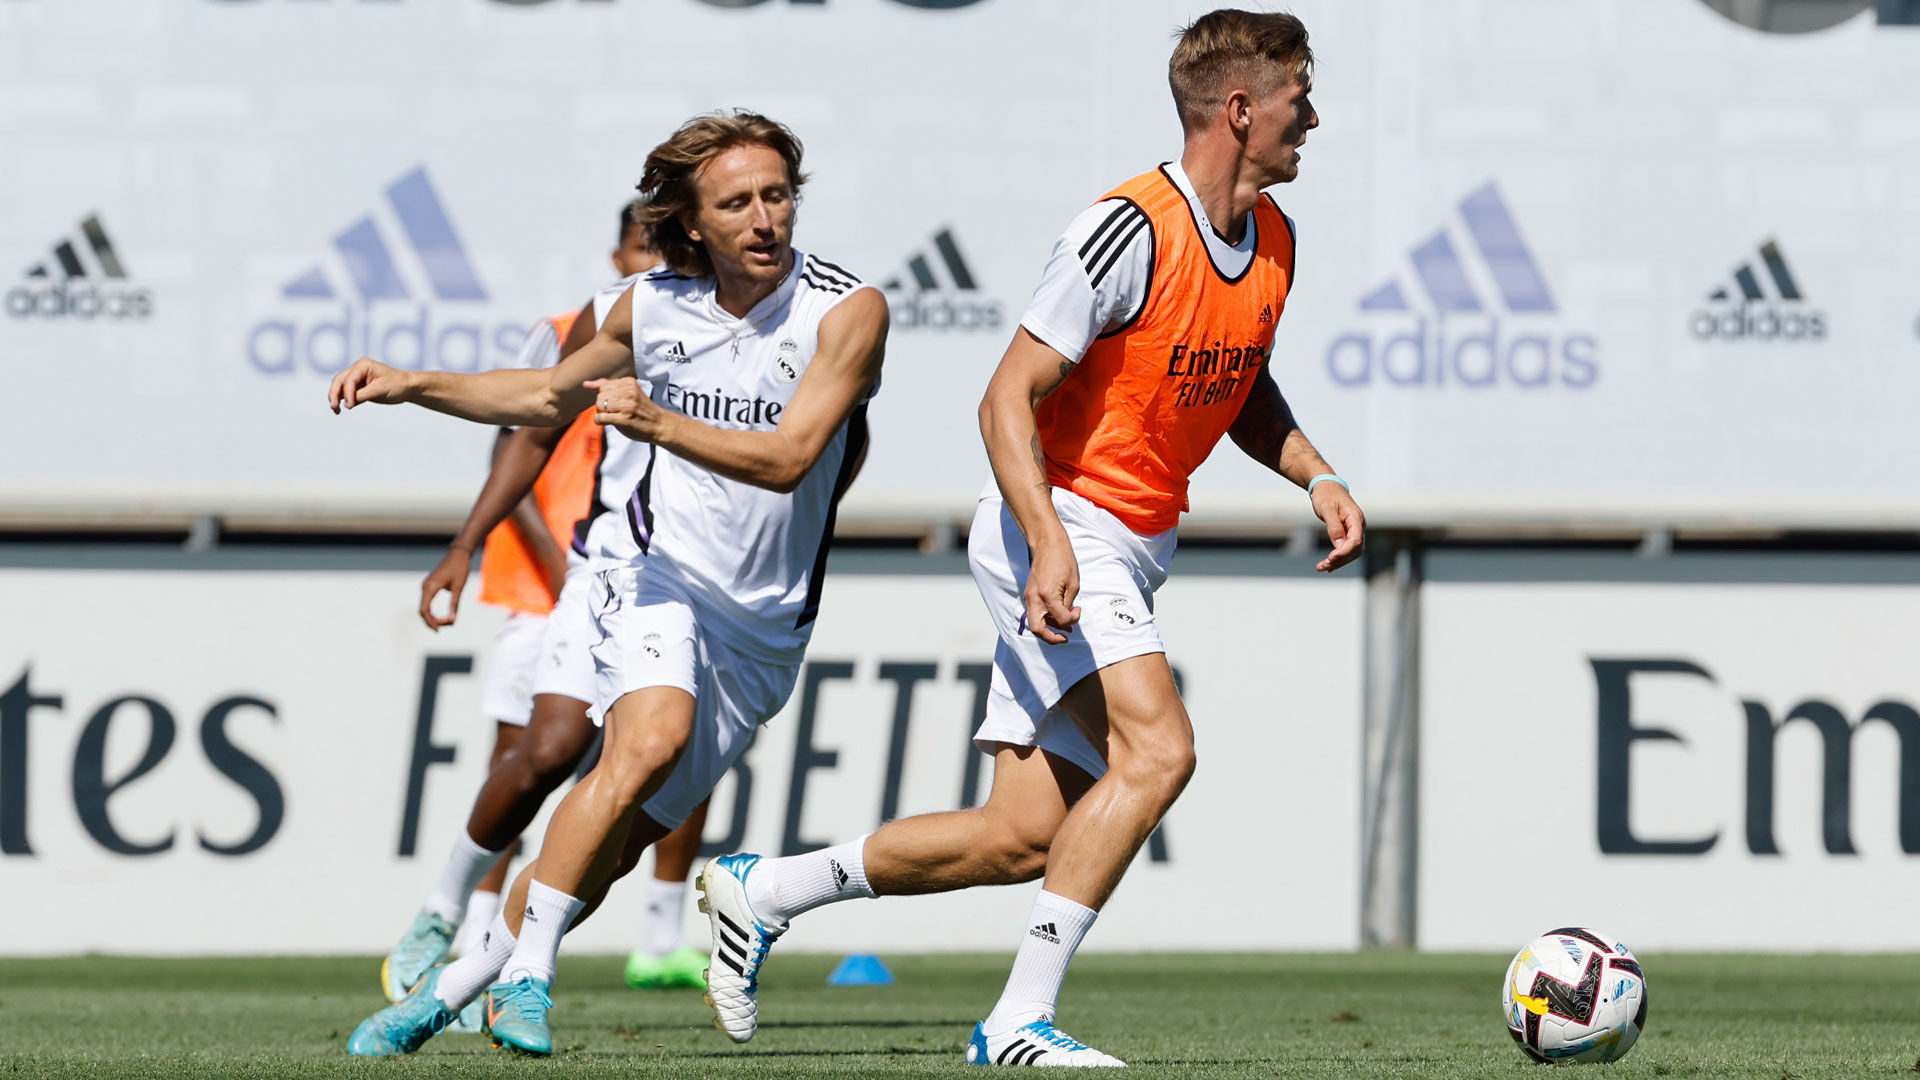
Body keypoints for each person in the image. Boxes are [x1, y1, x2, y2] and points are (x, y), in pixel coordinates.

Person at [696, 9, 1364, 1068]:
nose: (1313, 119)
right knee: (1160, 752)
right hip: (1056, 525)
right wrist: (1050, 540)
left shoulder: (1273, 240)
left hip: (1127, 541)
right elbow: (1005, 396)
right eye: (1298, 98)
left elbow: (1238, 387)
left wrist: (1316, 472)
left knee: (1021, 837)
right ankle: (1015, 1022)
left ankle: (763, 890)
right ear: (1239, 110)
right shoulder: (1127, 227)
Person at [331, 109, 888, 1058]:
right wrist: (411, 381)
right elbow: (545, 399)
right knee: (645, 738)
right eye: (737, 202)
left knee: (613, 845)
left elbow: (792, 459)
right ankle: (531, 978)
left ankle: (453, 989)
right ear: (694, 222)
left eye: (777, 195)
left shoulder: (847, 310)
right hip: (651, 573)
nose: (764, 218)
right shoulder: (646, 306)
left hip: (763, 629)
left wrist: (659, 423)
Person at [376, 205, 711, 1018]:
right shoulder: (603, 318)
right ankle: (449, 907)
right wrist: (467, 543)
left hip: (701, 582)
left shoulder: (772, 321)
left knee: (664, 765)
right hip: (599, 570)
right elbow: (529, 427)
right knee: (546, 747)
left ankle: (531, 963)